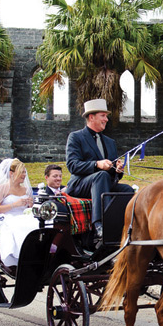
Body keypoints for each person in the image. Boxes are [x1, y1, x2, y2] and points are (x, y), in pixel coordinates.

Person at [65, 98, 133, 240]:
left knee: (127, 190)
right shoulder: (76, 137)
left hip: (103, 183)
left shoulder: (110, 142)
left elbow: (113, 174)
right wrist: (97, 164)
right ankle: (100, 225)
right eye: (103, 116)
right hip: (80, 184)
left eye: (106, 116)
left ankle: (125, 226)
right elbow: (72, 165)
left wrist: (118, 170)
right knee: (101, 175)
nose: (106, 119)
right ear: (91, 117)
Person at [0, 158, 38, 267]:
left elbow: (31, 207)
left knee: (37, 224)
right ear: (11, 173)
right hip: (9, 216)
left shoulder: (26, 190)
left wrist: (30, 204)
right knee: (19, 226)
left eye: (25, 172)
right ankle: (21, 256)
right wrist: (14, 205)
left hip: (25, 216)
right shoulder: (2, 188)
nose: (24, 175)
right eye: (21, 172)